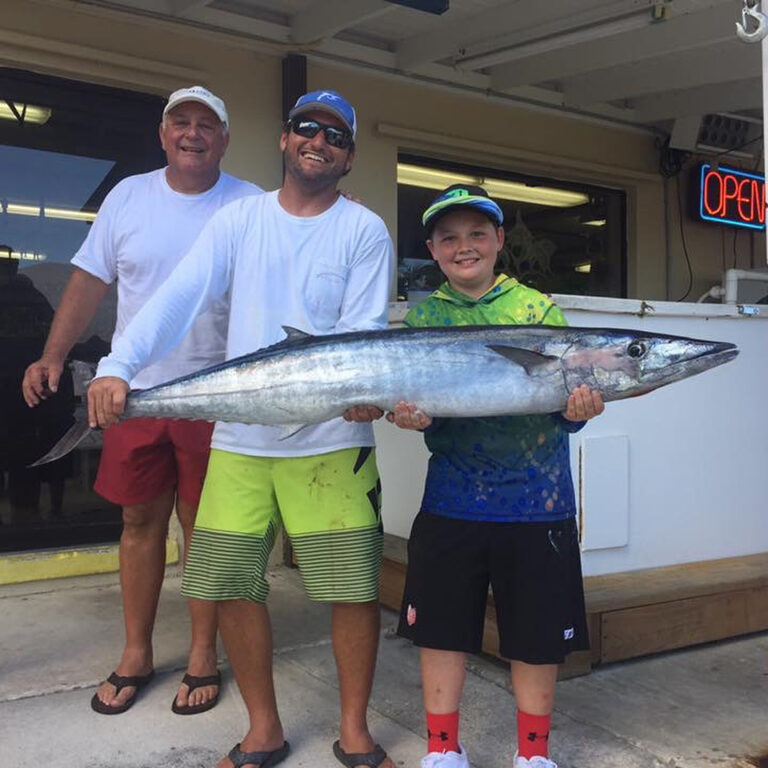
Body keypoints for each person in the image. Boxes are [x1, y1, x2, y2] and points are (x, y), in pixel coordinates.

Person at [86, 90, 396, 768]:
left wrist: (367, 392)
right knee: (227, 585)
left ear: (349, 157)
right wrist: (119, 366)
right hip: (238, 441)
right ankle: (263, 730)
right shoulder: (238, 221)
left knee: (352, 591)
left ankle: (354, 731)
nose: (320, 140)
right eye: (307, 127)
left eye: (336, 135)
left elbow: (364, 333)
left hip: (333, 446)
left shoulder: (364, 231)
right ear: (285, 140)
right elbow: (178, 297)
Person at [22, 86, 263, 716]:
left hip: (218, 391)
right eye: (179, 122)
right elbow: (88, 281)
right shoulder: (128, 196)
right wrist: (53, 355)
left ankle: (205, 653)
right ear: (162, 135)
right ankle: (137, 652)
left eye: (206, 125)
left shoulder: (251, 205)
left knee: (206, 529)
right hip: (131, 391)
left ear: (224, 140)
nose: (192, 133)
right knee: (138, 522)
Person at [389, 185, 605, 768]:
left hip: (539, 504)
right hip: (452, 500)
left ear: (499, 240)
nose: (465, 247)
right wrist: (408, 417)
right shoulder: (424, 317)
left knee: (536, 638)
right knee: (441, 630)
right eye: (450, 237)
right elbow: (413, 405)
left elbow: (565, 407)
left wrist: (576, 410)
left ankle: (533, 755)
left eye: (477, 234)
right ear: (432, 249)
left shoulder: (537, 311)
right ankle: (442, 750)